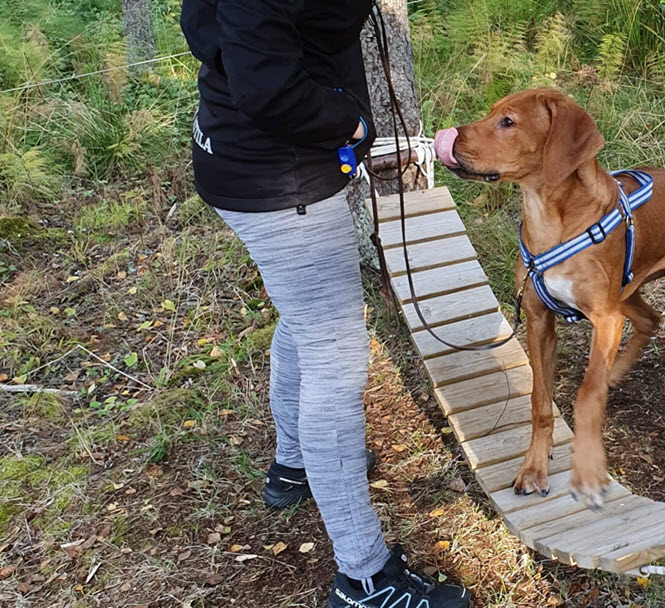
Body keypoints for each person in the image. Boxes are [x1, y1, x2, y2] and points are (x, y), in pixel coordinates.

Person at [179, 2, 472, 607]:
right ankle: (365, 579)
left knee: (306, 318)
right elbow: (271, 88)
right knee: (334, 361)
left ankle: (293, 467)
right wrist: (352, 125)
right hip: (278, 179)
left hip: (235, 154)